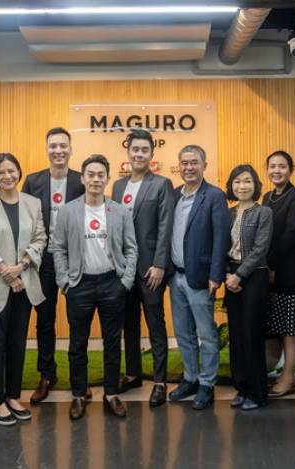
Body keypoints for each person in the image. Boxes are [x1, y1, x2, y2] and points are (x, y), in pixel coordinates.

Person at [52, 154, 138, 420]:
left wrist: (125, 282)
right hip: (80, 285)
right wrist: (65, 281)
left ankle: (111, 394)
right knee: (78, 343)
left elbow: (131, 248)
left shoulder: (119, 211)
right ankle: (79, 394)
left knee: (112, 342)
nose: (96, 179)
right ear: (82, 178)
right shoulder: (68, 211)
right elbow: (58, 248)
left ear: (107, 179)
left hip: (112, 283)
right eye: (91, 174)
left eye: (101, 175)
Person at [0, 153, 46, 426]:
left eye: (11, 170)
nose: (7, 176)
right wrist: (6, 271)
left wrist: (22, 265)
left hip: (24, 284)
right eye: (1, 172)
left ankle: (13, 396)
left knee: (17, 343)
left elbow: (40, 238)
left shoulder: (33, 203)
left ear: (18, 172)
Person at [22, 127, 85, 403]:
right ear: (46, 149)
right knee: (44, 320)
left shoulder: (81, 181)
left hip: (75, 259)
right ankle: (47, 374)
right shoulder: (33, 181)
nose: (58, 150)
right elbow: (25, 220)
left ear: (70, 149)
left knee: (77, 320)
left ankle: (79, 377)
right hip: (44, 260)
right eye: (53, 146)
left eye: (63, 146)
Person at [112, 129, 174, 407]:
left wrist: (160, 264)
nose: (139, 154)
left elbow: (165, 226)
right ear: (128, 152)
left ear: (152, 153)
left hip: (150, 269)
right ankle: (133, 374)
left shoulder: (161, 184)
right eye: (135, 149)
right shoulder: (117, 186)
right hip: (123, 269)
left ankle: (160, 381)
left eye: (144, 150)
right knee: (129, 324)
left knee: (155, 323)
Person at [168, 145, 229, 410]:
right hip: (176, 277)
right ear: (179, 166)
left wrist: (216, 275)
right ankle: (190, 378)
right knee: (183, 333)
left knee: (207, 334)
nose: (189, 167)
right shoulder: (173, 195)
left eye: (194, 162)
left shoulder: (214, 196)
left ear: (204, 165)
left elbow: (221, 239)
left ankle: (207, 384)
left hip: (202, 278)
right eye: (184, 163)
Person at [224, 165, 273, 411]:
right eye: (237, 182)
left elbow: (260, 249)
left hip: (254, 276)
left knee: (252, 334)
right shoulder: (228, 213)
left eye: (247, 181)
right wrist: (227, 274)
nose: (242, 186)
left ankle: (257, 392)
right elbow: (221, 245)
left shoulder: (263, 212)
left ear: (255, 185)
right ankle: (242, 387)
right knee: (236, 335)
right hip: (230, 276)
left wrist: (239, 276)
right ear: (231, 186)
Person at [263, 150, 295, 398]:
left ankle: (289, 378)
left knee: (290, 328)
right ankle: (281, 373)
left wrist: (270, 264)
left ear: (291, 169)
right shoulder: (267, 196)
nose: (277, 171)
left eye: (282, 166)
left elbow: (291, 235)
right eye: (272, 166)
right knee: (277, 326)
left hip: (291, 272)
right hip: (269, 272)